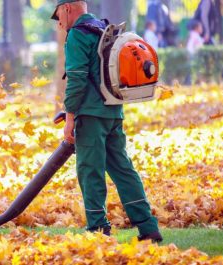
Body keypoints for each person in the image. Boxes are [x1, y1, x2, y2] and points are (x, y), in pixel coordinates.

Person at [50, 0, 163, 242]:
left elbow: (78, 80)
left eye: (58, 14)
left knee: (90, 171)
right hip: (113, 111)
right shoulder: (103, 29)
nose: (59, 22)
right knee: (123, 169)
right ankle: (148, 227)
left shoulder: (77, 35)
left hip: (90, 116)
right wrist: (67, 109)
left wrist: (70, 118)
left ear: (67, 8)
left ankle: (98, 230)